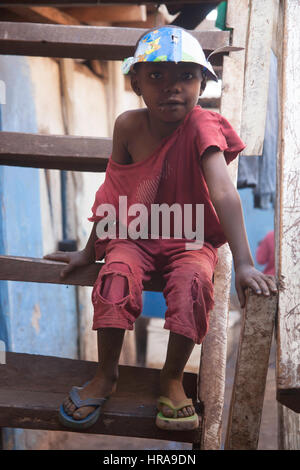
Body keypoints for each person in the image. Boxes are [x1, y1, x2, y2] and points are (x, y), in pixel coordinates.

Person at [44, 26, 277, 431]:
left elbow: (223, 193)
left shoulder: (203, 125)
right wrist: (88, 251)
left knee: (193, 284)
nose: (172, 88)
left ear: (202, 83)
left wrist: (243, 263)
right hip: (133, 234)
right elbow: (113, 193)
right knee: (114, 276)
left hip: (190, 239)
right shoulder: (128, 126)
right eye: (156, 76)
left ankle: (170, 377)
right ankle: (106, 374)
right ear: (135, 82)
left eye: (186, 76)